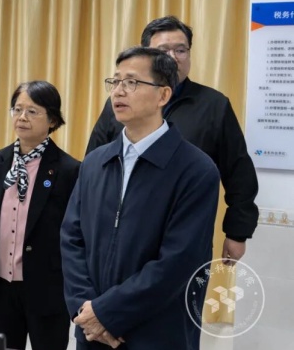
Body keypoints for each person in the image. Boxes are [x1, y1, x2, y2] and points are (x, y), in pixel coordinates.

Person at [61, 47, 220, 350]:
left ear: (163, 95)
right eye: (115, 81)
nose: (118, 91)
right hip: (93, 336)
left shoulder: (196, 170)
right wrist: (85, 309)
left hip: (157, 338)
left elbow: (179, 261)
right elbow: (71, 238)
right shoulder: (95, 162)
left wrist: (107, 312)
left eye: (132, 82)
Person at [86, 16, 259, 261]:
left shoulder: (213, 105)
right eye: (163, 50)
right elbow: (95, 164)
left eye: (181, 50)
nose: (173, 58)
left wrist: (237, 232)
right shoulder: (120, 103)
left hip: (184, 236)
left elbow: (239, 172)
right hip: (121, 236)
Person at [0, 81, 81, 350]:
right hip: (2, 285)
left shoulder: (70, 170)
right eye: (17, 109)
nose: (22, 117)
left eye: (32, 111)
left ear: (52, 120)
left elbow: (74, 231)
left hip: (47, 287)